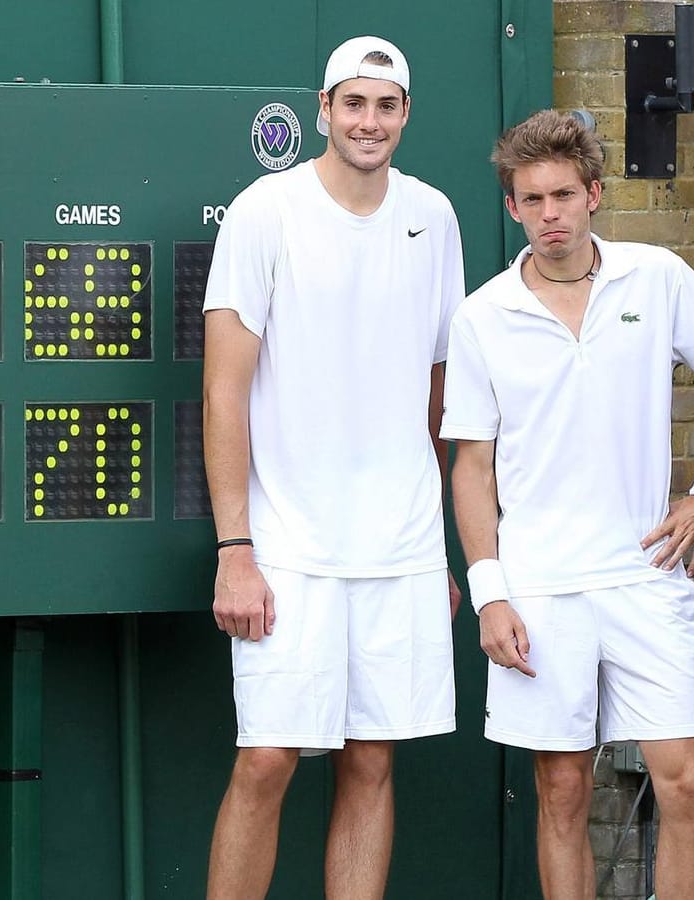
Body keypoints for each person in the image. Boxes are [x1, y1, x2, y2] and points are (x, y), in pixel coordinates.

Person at [201, 35, 465, 898]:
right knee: (268, 759)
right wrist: (234, 547)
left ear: (406, 116)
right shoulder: (262, 210)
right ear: (323, 109)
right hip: (285, 548)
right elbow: (222, 392)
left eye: (386, 106)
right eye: (353, 103)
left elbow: (438, 390)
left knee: (372, 762)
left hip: (400, 547)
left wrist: (438, 550)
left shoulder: (434, 215)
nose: (369, 121)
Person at [443, 109, 694, 900]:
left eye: (562, 195)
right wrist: (490, 594)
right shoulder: (481, 316)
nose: (548, 215)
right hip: (539, 589)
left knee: (689, 783)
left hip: (644, 575)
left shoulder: (656, 277)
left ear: (593, 193)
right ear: (511, 208)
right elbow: (471, 466)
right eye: (530, 200)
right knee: (561, 793)